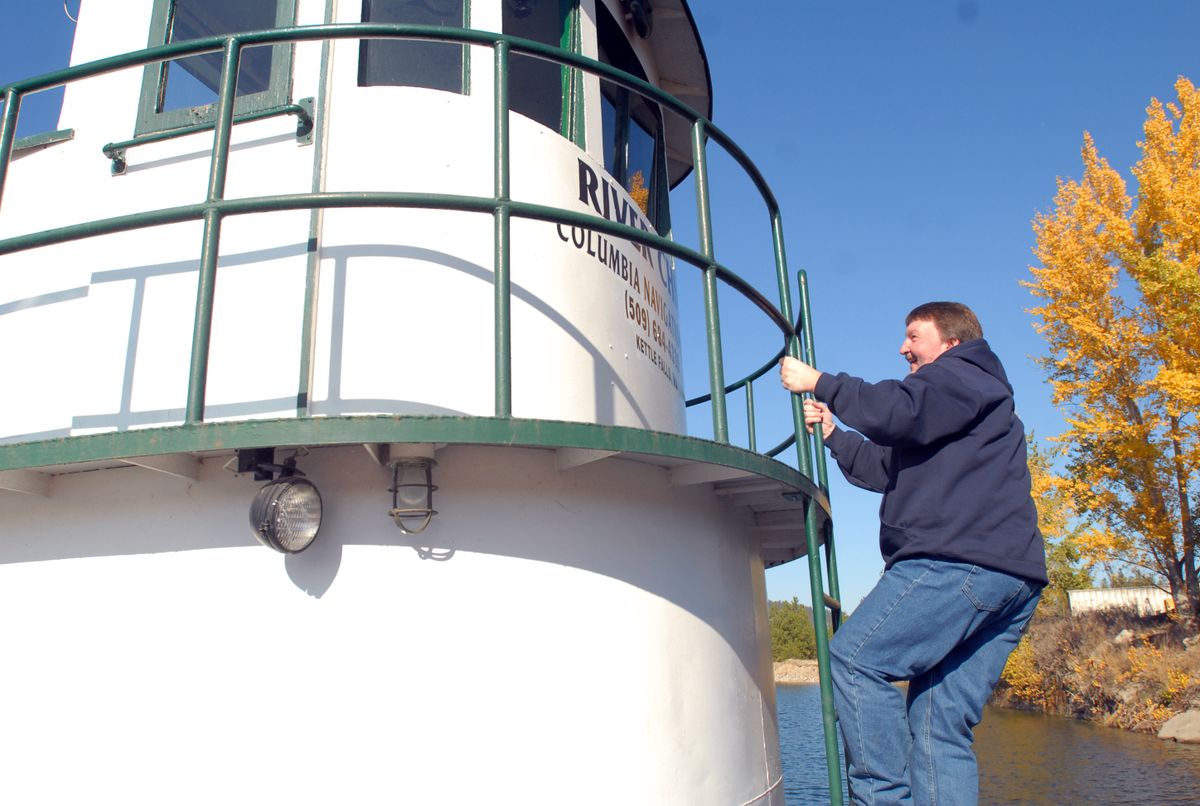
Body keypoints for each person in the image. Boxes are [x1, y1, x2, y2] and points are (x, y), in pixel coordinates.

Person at [779, 301, 1047, 806]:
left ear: (950, 341)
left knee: (857, 658)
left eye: (913, 336)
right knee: (936, 724)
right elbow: (886, 467)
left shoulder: (961, 373)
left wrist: (820, 380)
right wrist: (835, 434)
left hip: (960, 564)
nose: (903, 348)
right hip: (1011, 579)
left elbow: (898, 410)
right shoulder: (964, 401)